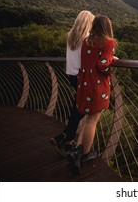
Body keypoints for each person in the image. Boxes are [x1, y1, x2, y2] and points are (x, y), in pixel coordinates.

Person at [69, 15, 117, 175]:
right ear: (107, 27)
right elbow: (102, 64)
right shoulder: (109, 42)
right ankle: (85, 154)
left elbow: (90, 59)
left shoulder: (86, 41)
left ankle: (77, 150)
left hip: (84, 82)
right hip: (97, 84)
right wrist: (110, 62)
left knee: (87, 117)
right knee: (93, 120)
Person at [50, 10, 95, 156]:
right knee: (85, 108)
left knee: (78, 105)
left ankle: (66, 138)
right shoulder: (87, 38)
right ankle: (67, 138)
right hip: (82, 77)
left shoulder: (71, 35)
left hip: (71, 75)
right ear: (89, 23)